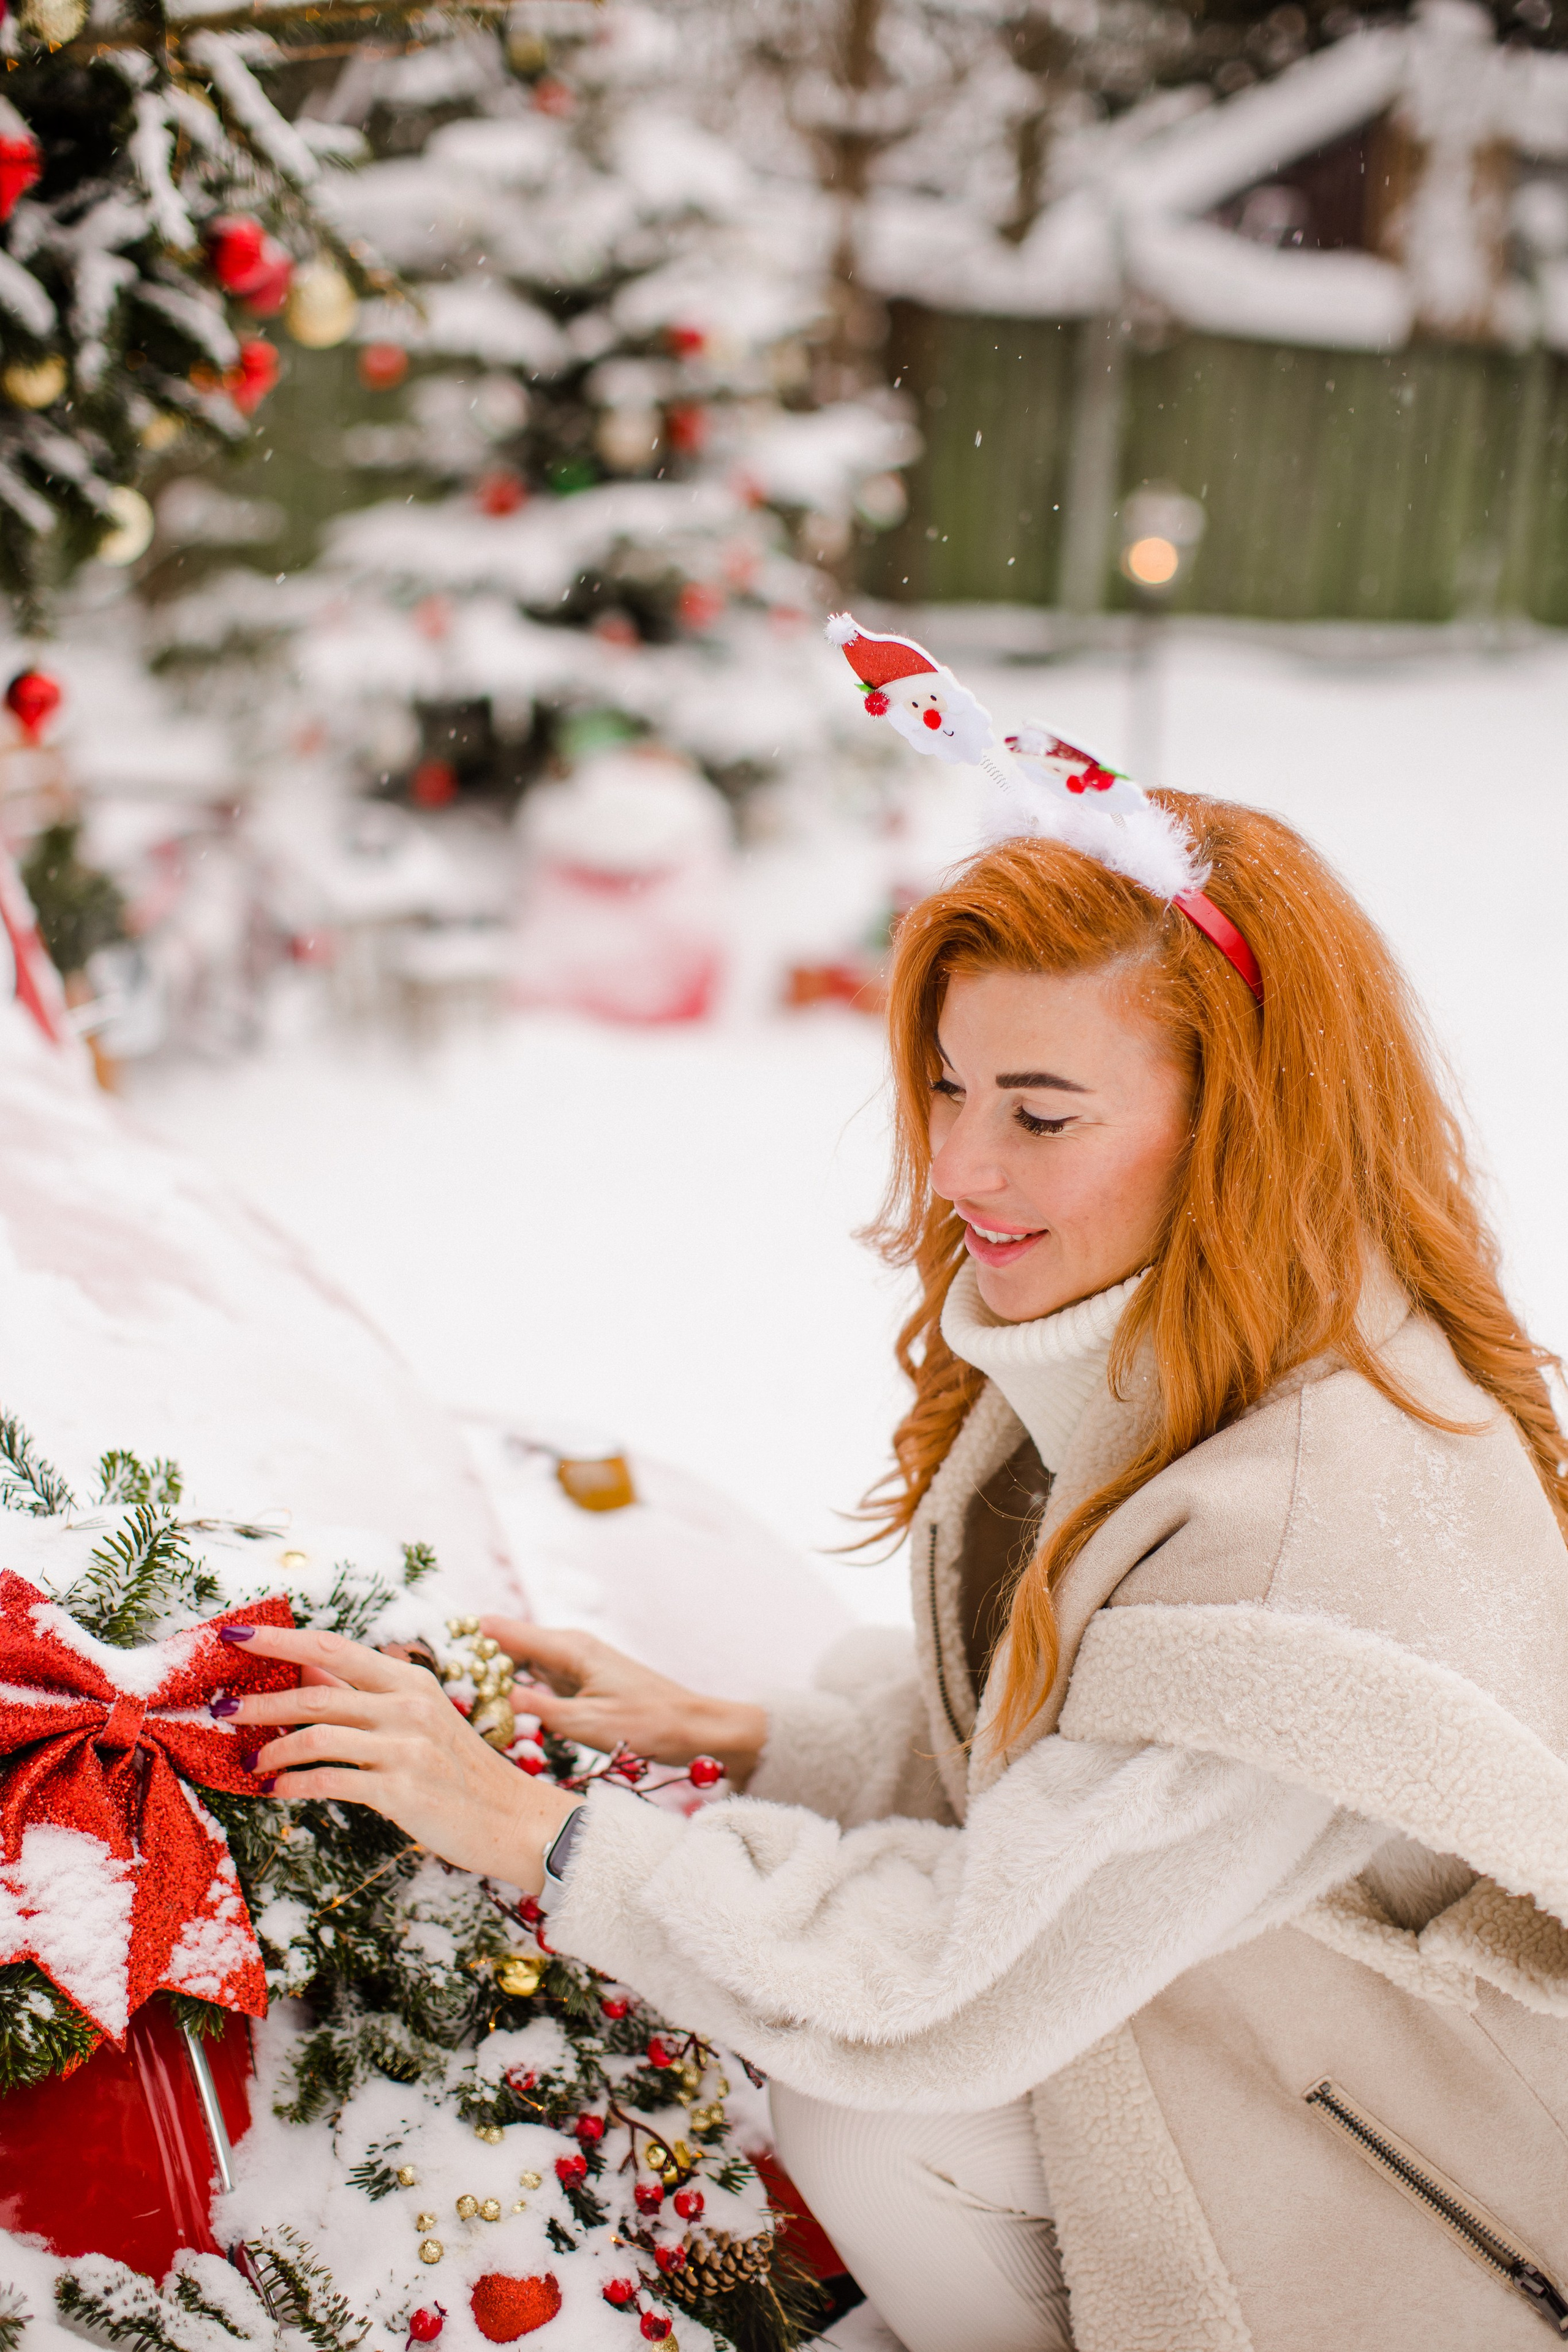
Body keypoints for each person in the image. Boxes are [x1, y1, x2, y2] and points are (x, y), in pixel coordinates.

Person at [222, 674, 1568, 2352]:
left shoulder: (1316, 1531)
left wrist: (532, 1830)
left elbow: (954, 1986)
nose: (959, 1167)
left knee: (870, 2112)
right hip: (1261, 2058)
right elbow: (1074, 1774)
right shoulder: (1161, 1351)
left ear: (1245, 1129)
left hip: (1425, 2235)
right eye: (948, 1087)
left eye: (1040, 1114)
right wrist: (753, 1738)